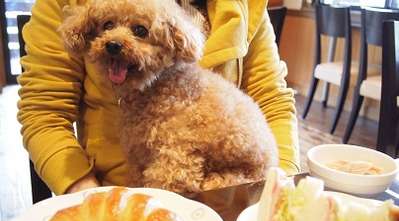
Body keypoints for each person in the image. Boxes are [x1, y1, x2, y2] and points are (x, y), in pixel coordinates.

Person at [17, 0, 300, 195]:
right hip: (108, 188)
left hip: (231, 187)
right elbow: (43, 113)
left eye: (140, 31)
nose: (115, 39)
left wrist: (279, 187)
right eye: (106, 26)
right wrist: (85, 190)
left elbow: (272, 98)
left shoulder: (244, 5)